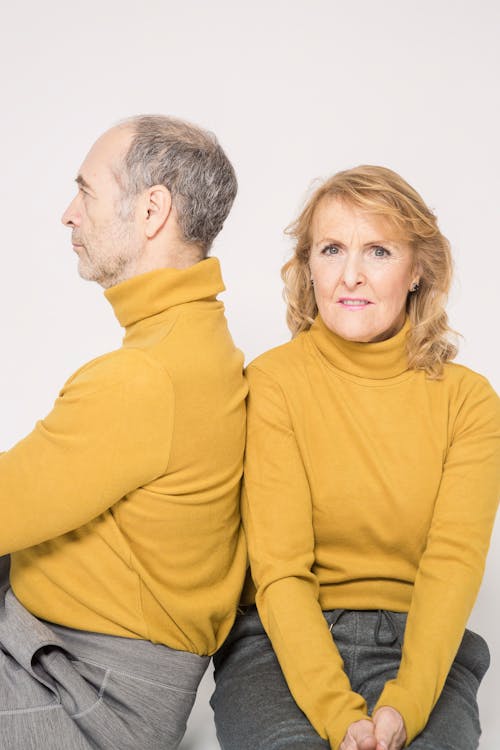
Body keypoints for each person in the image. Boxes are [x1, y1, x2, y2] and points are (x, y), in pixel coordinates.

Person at [211, 165, 500, 750]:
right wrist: (338, 714)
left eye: (378, 251)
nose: (351, 275)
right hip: (279, 648)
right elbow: (280, 569)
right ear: (307, 264)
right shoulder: (274, 383)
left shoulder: (470, 402)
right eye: (332, 248)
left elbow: (453, 565)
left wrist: (405, 704)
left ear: (418, 268)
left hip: (419, 650)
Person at [0, 115, 247, 749]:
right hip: (62, 645)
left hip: (84, 690)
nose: (68, 214)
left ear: (151, 210)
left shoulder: (144, 375)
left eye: (85, 191)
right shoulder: (197, 341)